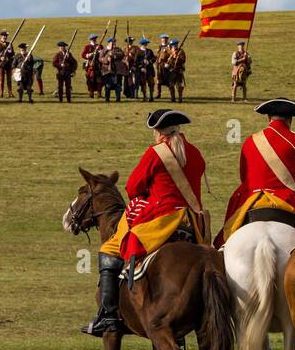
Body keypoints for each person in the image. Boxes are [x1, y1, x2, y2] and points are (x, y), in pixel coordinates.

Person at [82, 109, 208, 337]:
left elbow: (132, 187)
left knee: (110, 247)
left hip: (162, 219)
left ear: (159, 133)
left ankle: (108, 314)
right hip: (191, 222)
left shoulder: (156, 153)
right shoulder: (195, 153)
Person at [216, 97, 295, 247]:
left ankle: (222, 248)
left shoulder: (250, 141)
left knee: (227, 234)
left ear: (268, 118)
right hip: (288, 201)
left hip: (252, 199)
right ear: (290, 119)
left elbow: (244, 177)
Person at [99, 38, 125, 102]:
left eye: (115, 43)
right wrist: (107, 59)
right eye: (112, 43)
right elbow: (100, 59)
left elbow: (122, 55)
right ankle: (107, 99)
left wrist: (114, 55)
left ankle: (118, 99)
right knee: (107, 85)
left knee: (118, 85)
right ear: (108, 43)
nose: (114, 44)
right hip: (107, 70)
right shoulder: (103, 50)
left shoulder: (118, 50)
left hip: (117, 70)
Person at [80, 33, 101, 98]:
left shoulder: (100, 46)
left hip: (98, 65)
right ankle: (91, 93)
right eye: (93, 39)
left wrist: (99, 51)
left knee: (99, 80)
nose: (94, 40)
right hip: (90, 65)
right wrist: (90, 54)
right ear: (90, 40)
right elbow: (83, 55)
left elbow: (103, 53)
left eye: (95, 38)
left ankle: (99, 93)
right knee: (90, 80)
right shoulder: (87, 47)